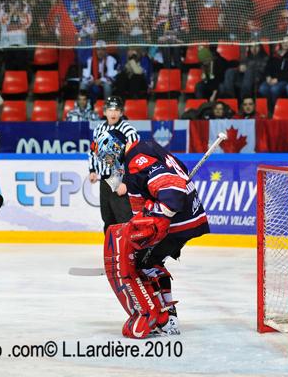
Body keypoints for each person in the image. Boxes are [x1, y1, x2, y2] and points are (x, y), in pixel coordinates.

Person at [94, 129, 209, 338]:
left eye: (108, 156)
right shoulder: (145, 148)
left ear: (115, 147)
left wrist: (158, 216)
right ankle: (167, 316)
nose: (109, 162)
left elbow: (172, 191)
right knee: (148, 261)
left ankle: (165, 318)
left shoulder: (137, 159)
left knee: (139, 263)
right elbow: (179, 171)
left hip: (177, 220)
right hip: (187, 215)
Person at [89, 96, 139, 234]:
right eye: (110, 109)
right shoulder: (99, 129)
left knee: (124, 219)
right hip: (105, 181)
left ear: (121, 112)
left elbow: (134, 158)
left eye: (116, 110)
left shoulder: (129, 131)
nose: (113, 113)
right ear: (105, 112)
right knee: (108, 219)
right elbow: (94, 151)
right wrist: (92, 170)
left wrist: (125, 182)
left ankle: (127, 248)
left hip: (120, 181)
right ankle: (111, 247)